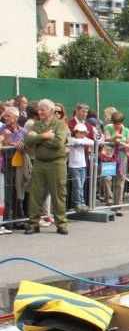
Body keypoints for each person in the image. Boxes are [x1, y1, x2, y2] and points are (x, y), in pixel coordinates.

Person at [23, 99, 70, 235]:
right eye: (39, 109)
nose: (40, 111)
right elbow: (28, 141)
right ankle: (33, 224)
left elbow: (58, 143)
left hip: (56, 163)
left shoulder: (60, 125)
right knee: (35, 194)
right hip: (39, 163)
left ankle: (61, 224)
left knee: (58, 194)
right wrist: (44, 136)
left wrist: (37, 138)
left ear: (51, 111)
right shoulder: (37, 125)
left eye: (43, 109)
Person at [102, 111, 129, 216]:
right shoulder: (108, 127)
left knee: (120, 182)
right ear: (112, 121)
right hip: (109, 156)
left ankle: (118, 206)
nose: (117, 125)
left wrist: (122, 143)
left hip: (122, 158)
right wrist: (114, 139)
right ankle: (110, 201)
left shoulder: (126, 130)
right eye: (115, 123)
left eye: (119, 123)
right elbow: (106, 139)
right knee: (107, 178)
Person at [67, 122, 92, 212]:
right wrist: (83, 142)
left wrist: (84, 140)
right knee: (77, 186)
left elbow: (91, 142)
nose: (82, 134)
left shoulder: (84, 139)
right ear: (76, 132)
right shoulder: (72, 140)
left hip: (82, 165)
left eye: (84, 133)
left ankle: (81, 203)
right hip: (74, 166)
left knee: (81, 185)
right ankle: (77, 203)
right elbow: (75, 141)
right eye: (80, 132)